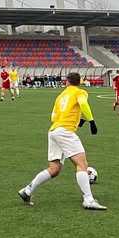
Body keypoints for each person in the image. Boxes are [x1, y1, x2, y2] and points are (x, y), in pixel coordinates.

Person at [17, 71, 106, 211]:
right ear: (79, 82)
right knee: (82, 164)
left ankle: (27, 190)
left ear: (67, 82)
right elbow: (83, 104)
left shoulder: (60, 96)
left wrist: (77, 120)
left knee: (54, 169)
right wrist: (91, 121)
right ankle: (88, 199)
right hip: (65, 131)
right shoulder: (80, 92)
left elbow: (54, 117)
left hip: (54, 131)